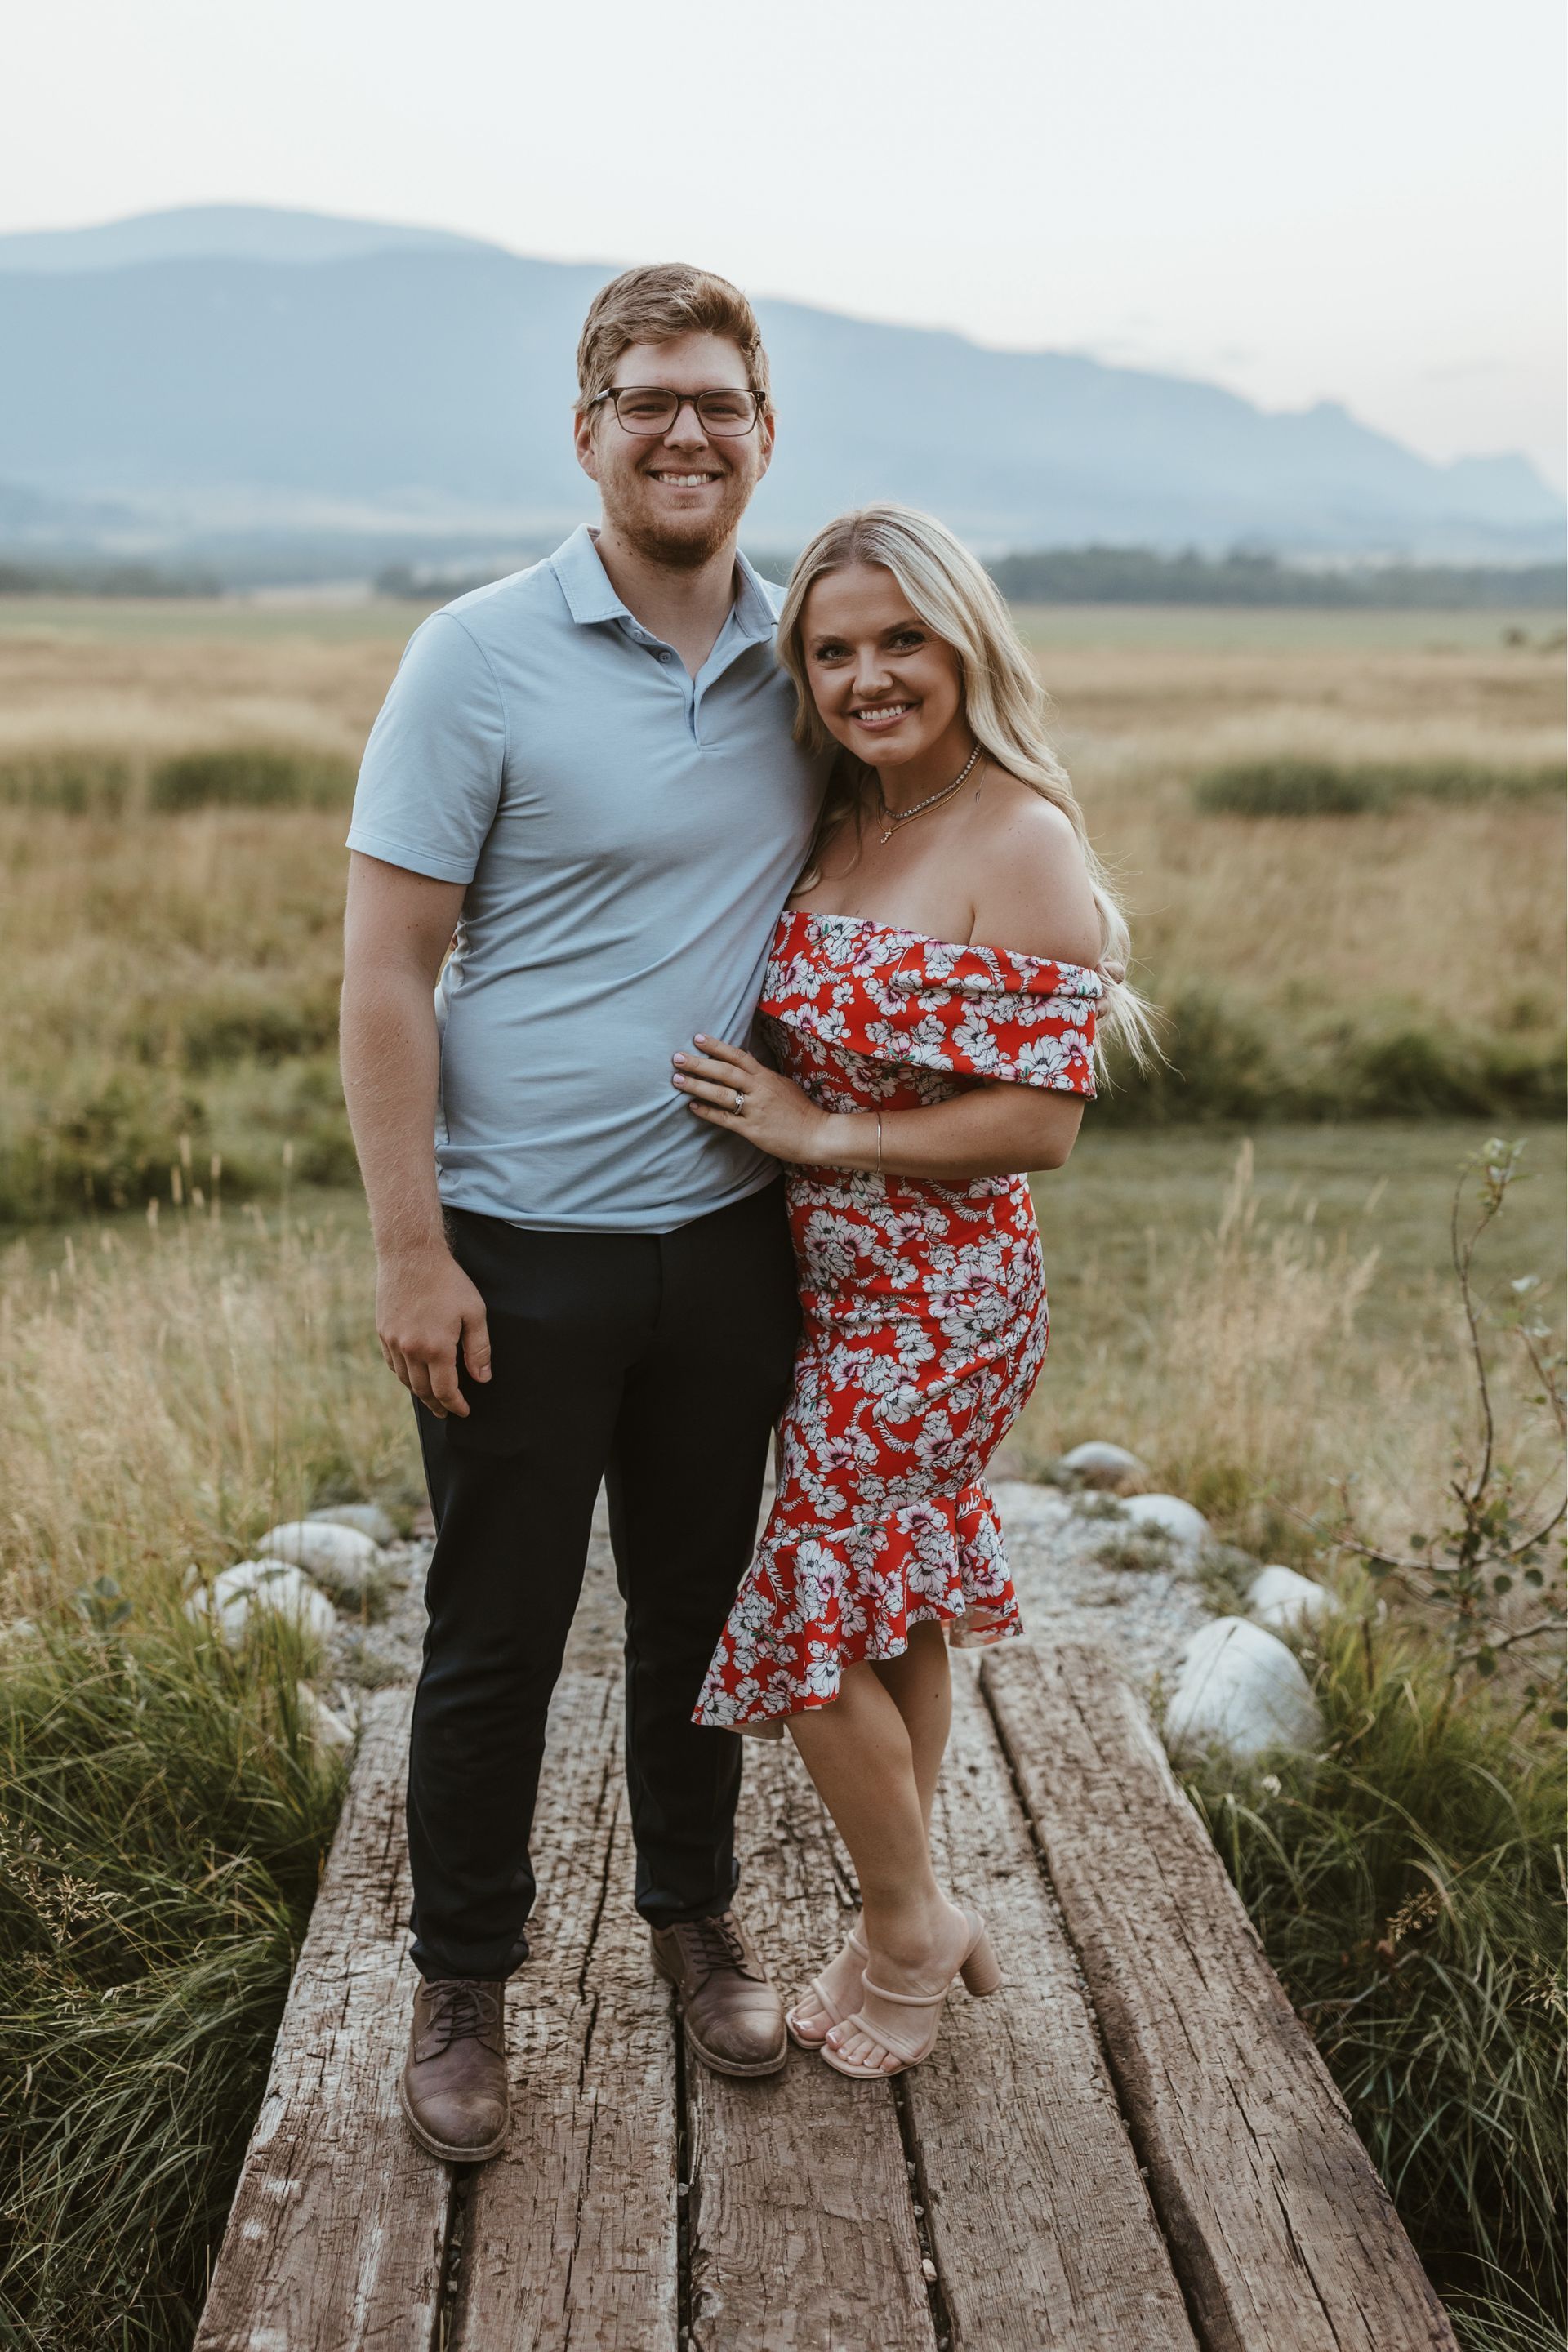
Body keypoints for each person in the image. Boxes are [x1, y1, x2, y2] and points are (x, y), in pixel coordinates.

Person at [339, 265, 828, 2163]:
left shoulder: (812, 658)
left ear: (765, 433)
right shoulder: (476, 653)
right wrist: (411, 1246)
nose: (686, 430)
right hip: (515, 1250)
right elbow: (387, 970)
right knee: (495, 1635)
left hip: (725, 1246)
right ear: (588, 432)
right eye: (648, 401)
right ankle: (463, 1983)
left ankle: (694, 1924)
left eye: (719, 401)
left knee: (700, 1618)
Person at [671, 504, 1152, 2078]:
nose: (869, 677)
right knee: (884, 1596)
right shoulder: (839, 817)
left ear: (964, 645)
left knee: (808, 1607)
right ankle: (908, 1924)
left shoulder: (1021, 838)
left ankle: (908, 1929)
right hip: (834, 1286)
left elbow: (1044, 1124)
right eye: (832, 651)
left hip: (947, 1301)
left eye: (901, 642)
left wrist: (823, 1128)